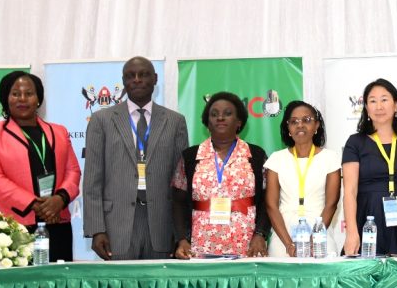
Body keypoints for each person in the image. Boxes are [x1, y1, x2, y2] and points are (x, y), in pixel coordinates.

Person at [83, 56, 188, 260]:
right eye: (130, 76)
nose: (137, 79)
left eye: (144, 74)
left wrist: (181, 234)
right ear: (123, 82)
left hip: (162, 225)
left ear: (155, 78)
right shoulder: (101, 120)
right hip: (116, 226)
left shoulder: (175, 121)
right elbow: (92, 180)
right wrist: (96, 230)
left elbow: (180, 184)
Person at [0, 71, 81, 261]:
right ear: (5, 98)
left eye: (29, 93)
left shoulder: (59, 131)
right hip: (14, 228)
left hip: (58, 222)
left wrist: (60, 199)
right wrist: (34, 204)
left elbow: (72, 171)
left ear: (38, 98)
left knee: (59, 286)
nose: (22, 99)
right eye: (15, 94)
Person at [171, 92, 270, 258]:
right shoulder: (190, 156)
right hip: (198, 247)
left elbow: (268, 199)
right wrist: (182, 239)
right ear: (207, 123)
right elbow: (178, 202)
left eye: (228, 113)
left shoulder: (256, 155)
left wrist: (260, 234)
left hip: (246, 246)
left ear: (239, 122)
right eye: (214, 114)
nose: (220, 118)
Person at [342, 79, 397, 255]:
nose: (379, 106)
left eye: (384, 99)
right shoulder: (355, 142)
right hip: (368, 217)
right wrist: (352, 231)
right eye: (372, 101)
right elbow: (350, 191)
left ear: (396, 104)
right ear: (366, 108)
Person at [264, 101, 341, 257]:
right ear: (288, 128)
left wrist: (314, 240)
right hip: (283, 235)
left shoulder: (330, 158)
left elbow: (331, 204)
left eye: (306, 120)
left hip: (319, 234)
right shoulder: (277, 159)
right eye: (294, 121)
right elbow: (271, 205)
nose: (300, 125)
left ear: (317, 125)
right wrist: (288, 244)